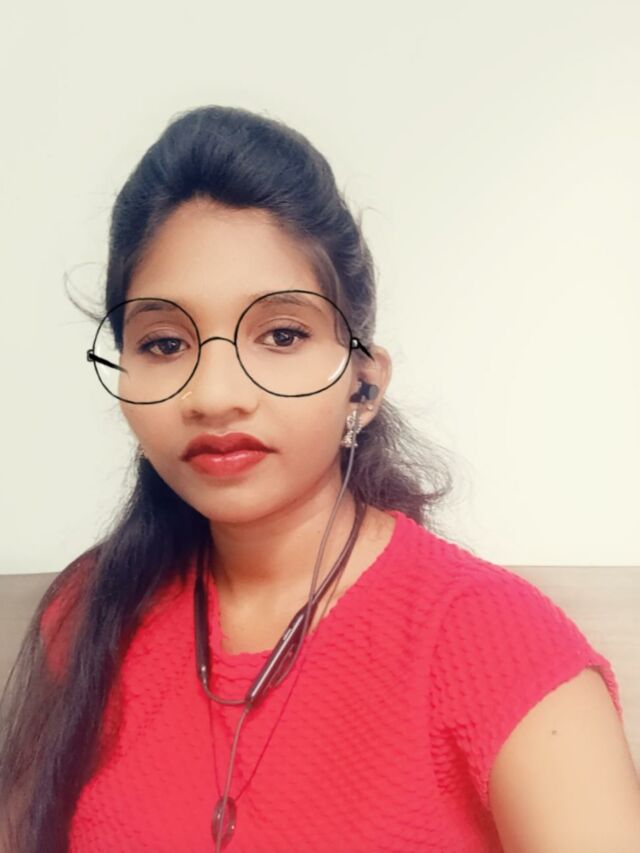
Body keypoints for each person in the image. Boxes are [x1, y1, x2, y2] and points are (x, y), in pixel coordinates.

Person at [1, 105, 639, 853]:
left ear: (362, 384)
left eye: (281, 334)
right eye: (165, 343)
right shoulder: (89, 611)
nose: (214, 395)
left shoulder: (492, 645)